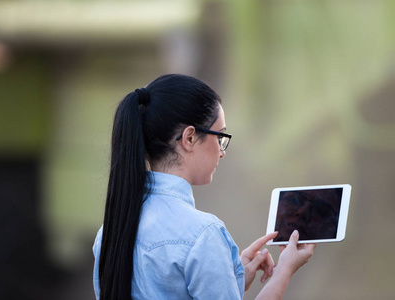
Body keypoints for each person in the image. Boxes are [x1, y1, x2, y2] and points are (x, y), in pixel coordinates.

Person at [92, 74, 316, 300]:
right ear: (189, 138)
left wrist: (231, 275)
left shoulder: (110, 232)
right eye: (220, 136)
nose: (222, 151)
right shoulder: (202, 235)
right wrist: (284, 270)